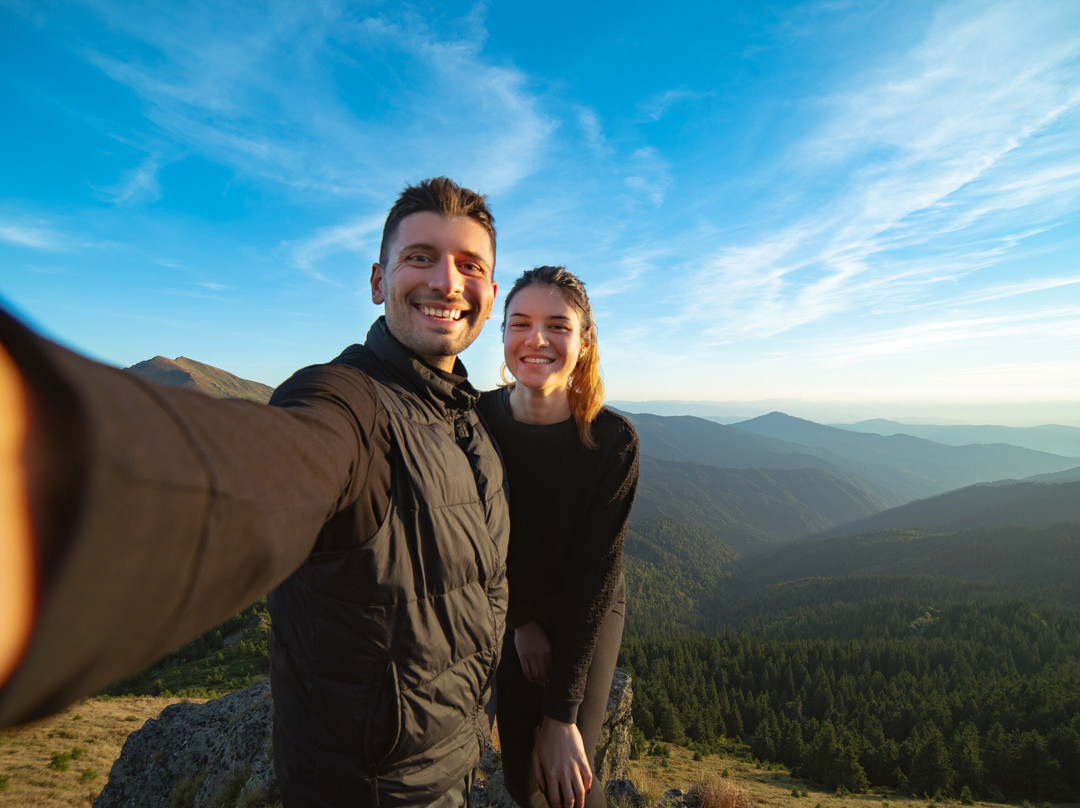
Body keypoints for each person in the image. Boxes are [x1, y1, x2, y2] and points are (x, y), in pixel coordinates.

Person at [0, 177, 509, 808]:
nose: (447, 282)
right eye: (420, 257)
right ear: (379, 282)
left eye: (470, 266)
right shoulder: (346, 402)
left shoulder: (473, 423)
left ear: (490, 295)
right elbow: (265, 466)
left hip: (459, 770)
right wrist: (48, 459)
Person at [478, 266, 639, 808]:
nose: (537, 339)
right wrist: (521, 621)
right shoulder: (476, 421)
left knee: (568, 777)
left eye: (557, 326)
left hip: (586, 603)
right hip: (507, 601)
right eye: (520, 323)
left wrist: (562, 713)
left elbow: (595, 573)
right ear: (503, 334)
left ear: (584, 340)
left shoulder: (611, 440)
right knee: (522, 778)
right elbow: (477, 542)